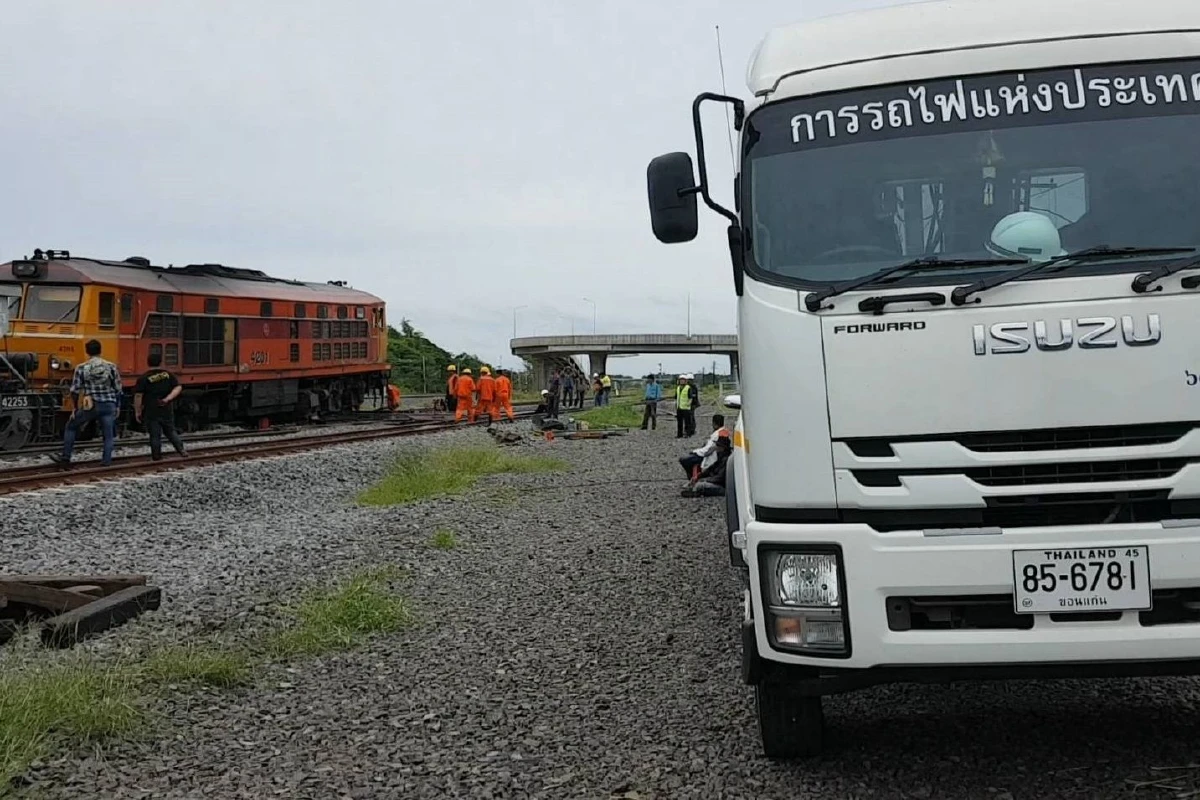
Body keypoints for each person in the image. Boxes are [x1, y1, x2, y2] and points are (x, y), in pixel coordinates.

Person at [50, 339, 122, 468]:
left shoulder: (82, 367)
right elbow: (118, 388)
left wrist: (75, 408)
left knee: (71, 427)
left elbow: (75, 390)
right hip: (109, 404)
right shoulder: (111, 366)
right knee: (108, 434)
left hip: (91, 405)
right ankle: (106, 462)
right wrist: (117, 405)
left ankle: (65, 458)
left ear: (87, 351)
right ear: (100, 350)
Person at [133, 351, 189, 461]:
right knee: (171, 431)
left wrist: (137, 411)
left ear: (148, 363)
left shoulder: (143, 378)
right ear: (160, 362)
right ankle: (181, 450)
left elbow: (138, 396)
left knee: (155, 434)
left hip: (151, 409)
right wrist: (168, 399)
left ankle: (157, 456)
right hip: (166, 408)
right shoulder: (168, 375)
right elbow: (178, 387)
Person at [682, 431, 732, 497]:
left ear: (722, 448)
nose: (716, 448)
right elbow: (710, 469)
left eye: (717, 446)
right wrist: (698, 476)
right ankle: (694, 489)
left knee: (701, 485)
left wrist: (705, 480)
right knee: (699, 483)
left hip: (722, 487)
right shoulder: (721, 457)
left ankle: (695, 492)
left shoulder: (726, 460)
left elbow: (720, 478)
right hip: (715, 481)